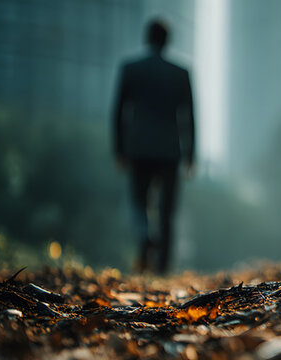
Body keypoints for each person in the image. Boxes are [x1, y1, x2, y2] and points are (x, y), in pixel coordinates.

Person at [112, 19, 194, 274]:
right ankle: (163, 267)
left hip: (139, 148)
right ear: (168, 41)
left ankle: (146, 238)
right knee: (167, 211)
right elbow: (189, 116)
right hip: (170, 150)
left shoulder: (130, 69)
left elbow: (119, 112)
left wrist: (119, 149)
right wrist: (191, 153)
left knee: (139, 202)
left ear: (147, 38)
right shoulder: (181, 73)